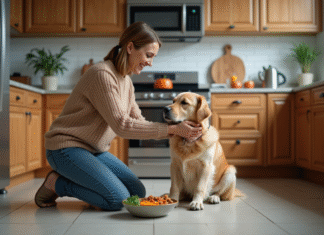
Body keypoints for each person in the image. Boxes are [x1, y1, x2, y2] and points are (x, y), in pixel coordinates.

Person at [34, 21, 203, 211]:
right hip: (65, 149)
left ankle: (90, 185)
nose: (150, 62)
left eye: (153, 57)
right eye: (148, 55)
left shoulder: (126, 82)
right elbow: (122, 125)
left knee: (136, 192)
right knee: (117, 199)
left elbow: (137, 121)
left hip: (94, 151)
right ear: (130, 47)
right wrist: (171, 129)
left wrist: (177, 129)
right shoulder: (102, 74)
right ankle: (56, 183)